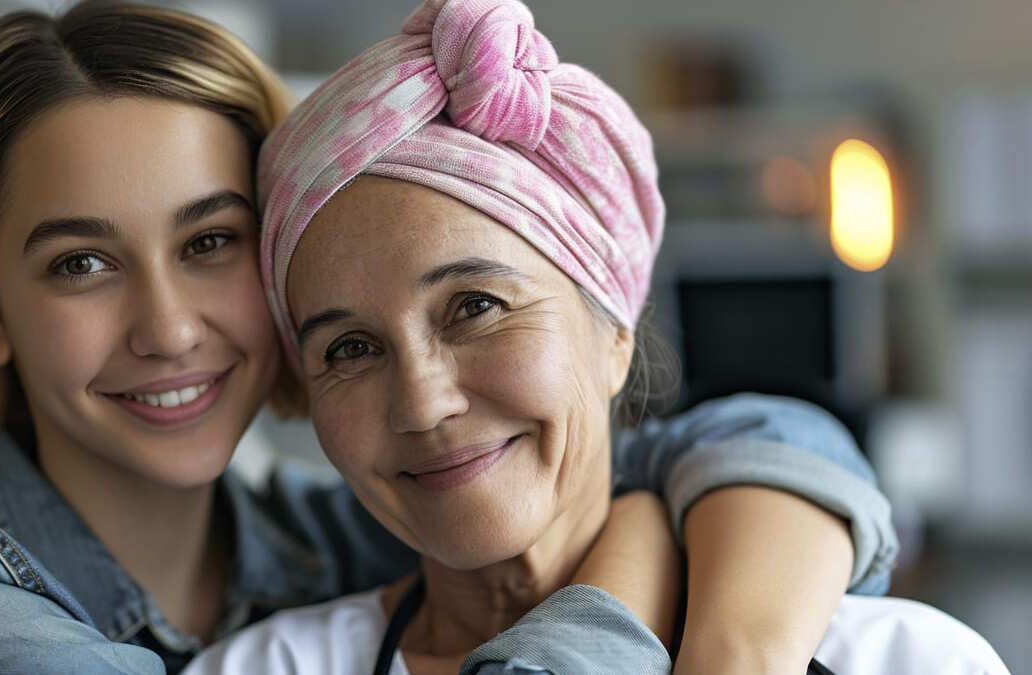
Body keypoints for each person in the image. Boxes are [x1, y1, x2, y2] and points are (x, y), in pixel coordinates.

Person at [0, 2, 900, 674]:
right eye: (82, 263)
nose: (166, 328)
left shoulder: (338, 539)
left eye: (211, 242)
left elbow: (742, 441)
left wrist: (738, 647)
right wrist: (619, 585)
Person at [183, 0, 1009, 673]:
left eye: (475, 306)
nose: (423, 400)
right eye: (350, 348)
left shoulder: (901, 658)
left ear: (614, 332)